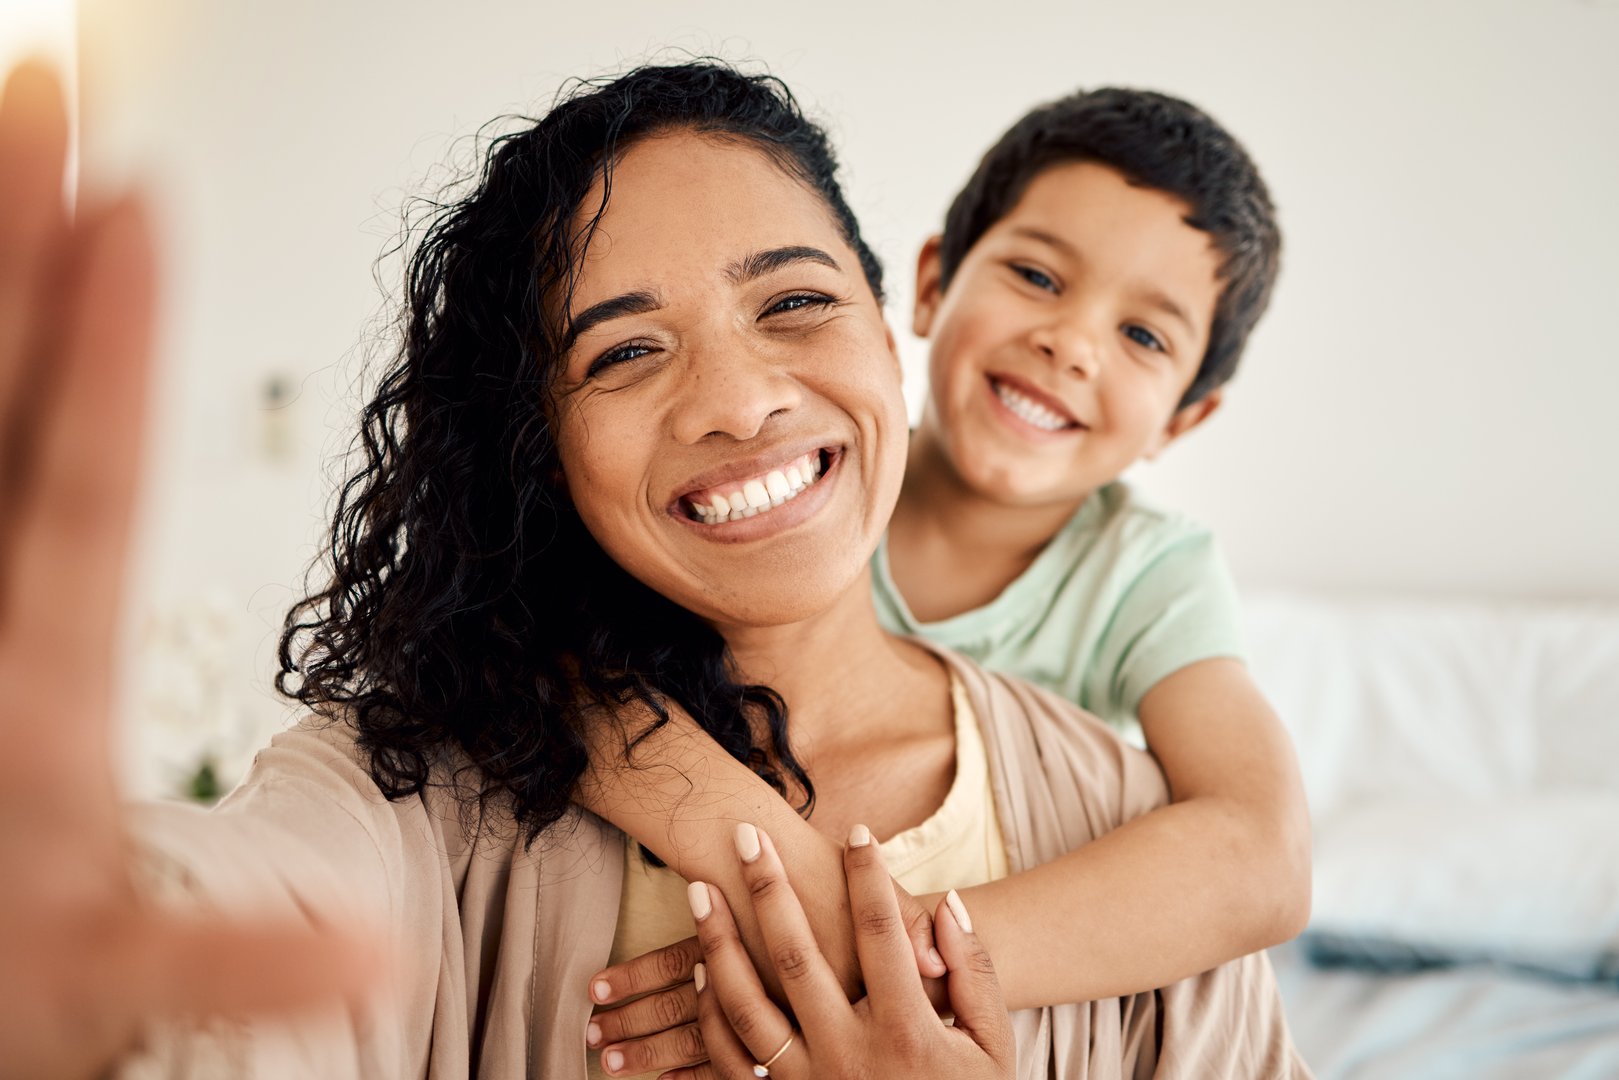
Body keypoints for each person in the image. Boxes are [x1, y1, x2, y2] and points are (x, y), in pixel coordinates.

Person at [0, 58, 1306, 1078]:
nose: (738, 401)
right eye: (622, 351)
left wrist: (887, 965)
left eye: (793, 301)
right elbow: (226, 912)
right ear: (537, 441)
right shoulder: (419, 793)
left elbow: (1259, 856)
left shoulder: (1129, 834)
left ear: (876, 324)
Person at [582, 86, 1309, 1077]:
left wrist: (885, 957)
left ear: (1182, 417)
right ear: (928, 285)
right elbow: (565, 686)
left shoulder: (1148, 572)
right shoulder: (796, 489)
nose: (1070, 343)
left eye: (1143, 336)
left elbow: (1262, 856)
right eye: (1036, 276)